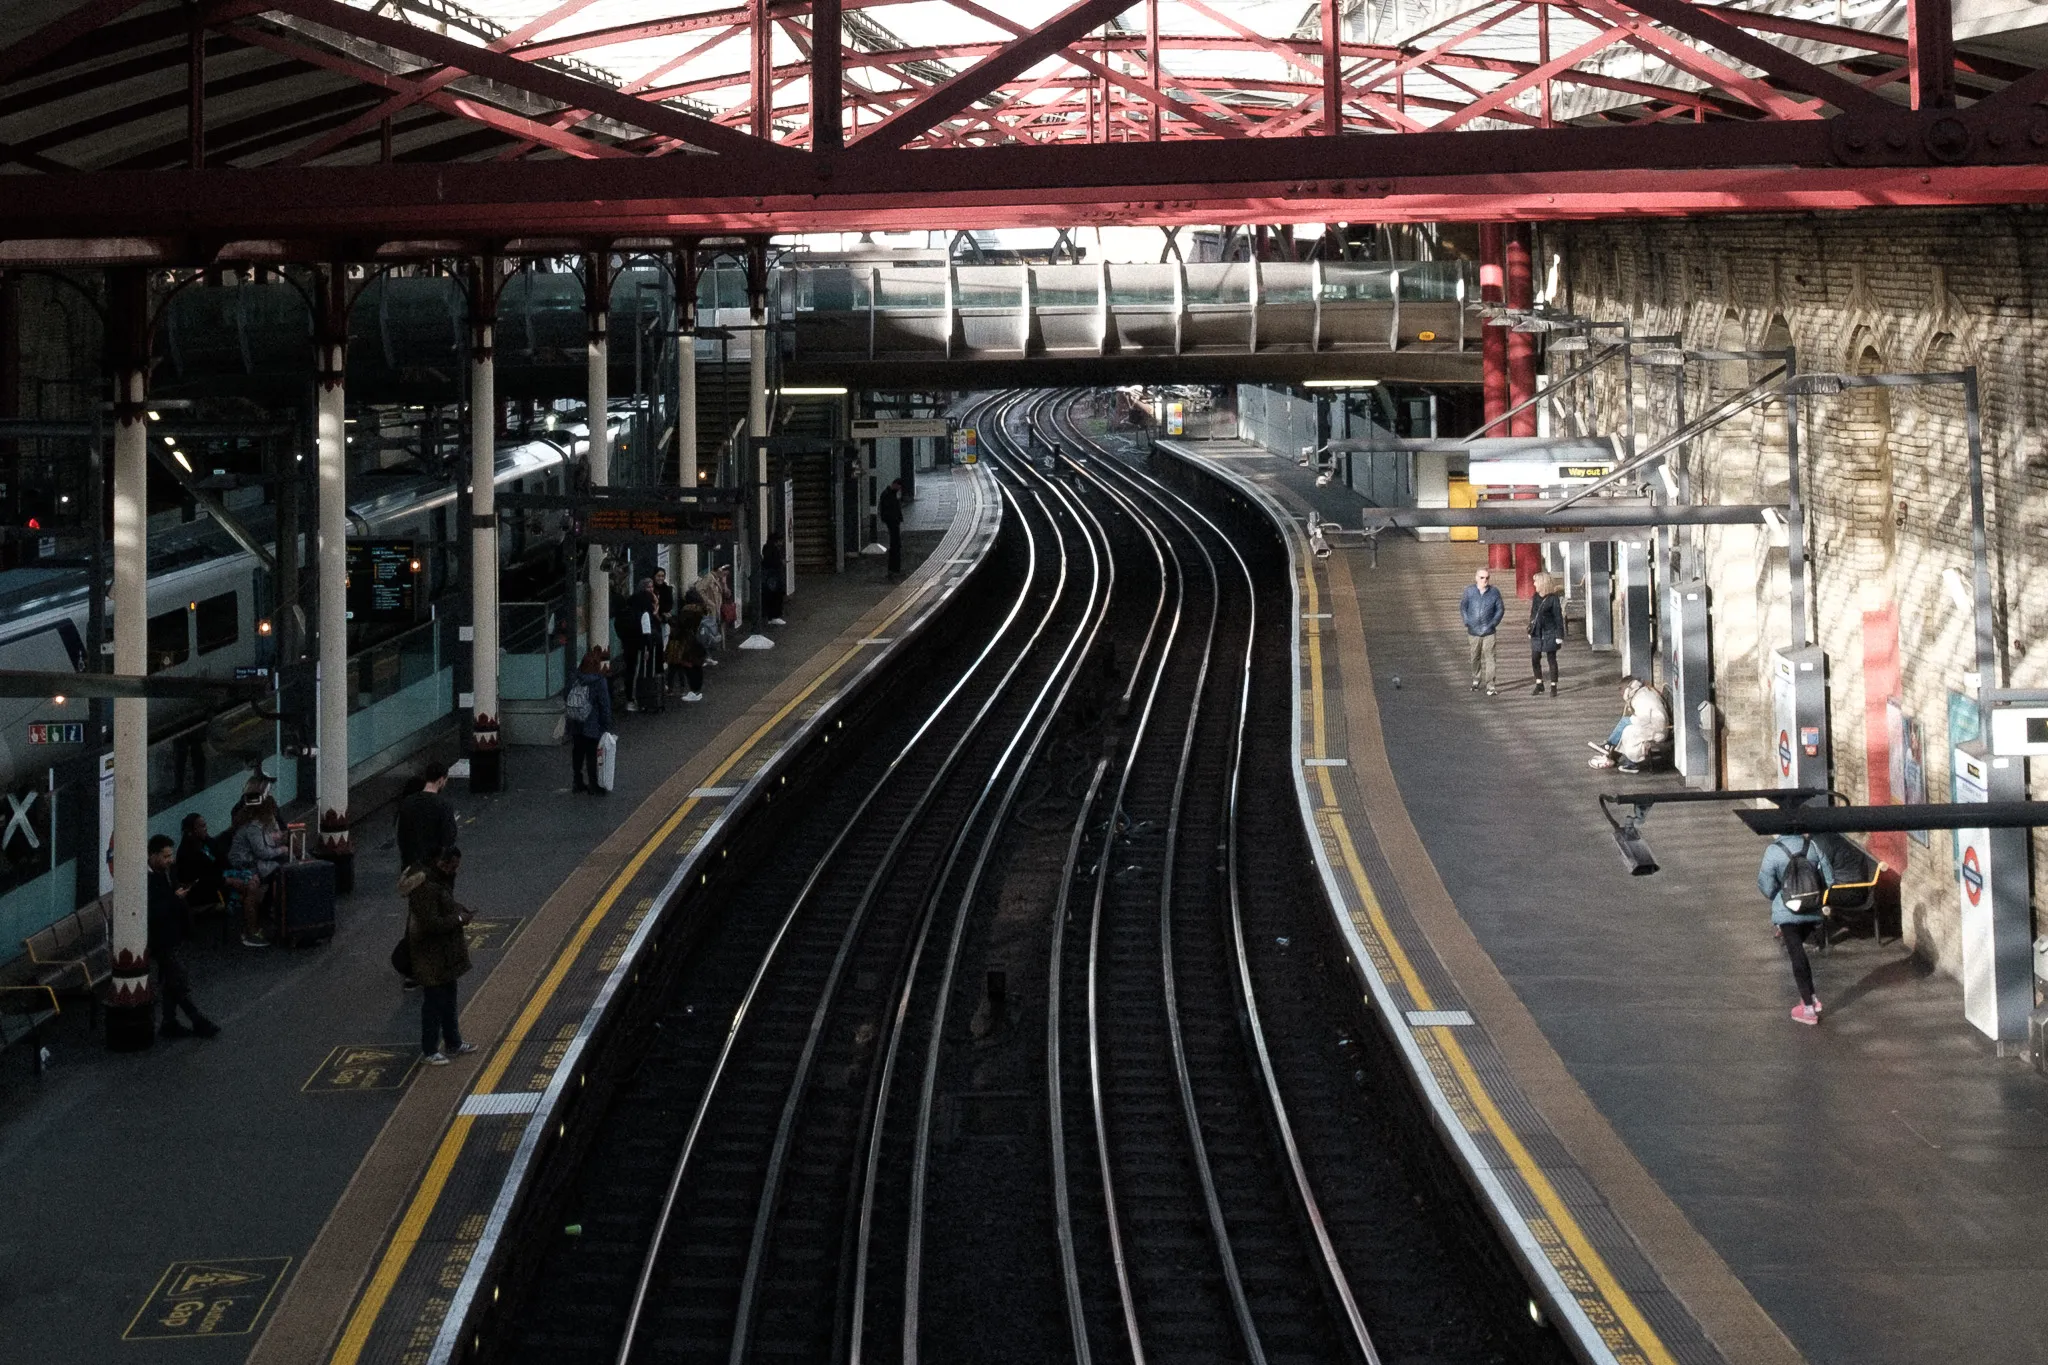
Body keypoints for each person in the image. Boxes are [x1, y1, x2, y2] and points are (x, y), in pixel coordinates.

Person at [403, 845, 477, 1065]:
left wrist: (458, 909)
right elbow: (431, 923)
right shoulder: (426, 888)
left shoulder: (436, 881)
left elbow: (444, 905)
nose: (455, 871)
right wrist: (459, 919)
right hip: (430, 956)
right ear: (442, 863)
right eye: (453, 867)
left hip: (443, 954)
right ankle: (430, 1049)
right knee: (434, 1003)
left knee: (448, 999)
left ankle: (453, 1042)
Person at [1758, 832, 1837, 1025]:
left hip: (1787, 911)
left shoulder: (1773, 850)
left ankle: (1808, 1009)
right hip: (1811, 908)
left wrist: (1781, 893)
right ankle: (1810, 997)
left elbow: (1766, 886)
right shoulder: (1813, 846)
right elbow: (1829, 878)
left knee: (1796, 954)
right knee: (1799, 950)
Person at [149, 834, 219, 1038]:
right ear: (153, 855)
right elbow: (154, 910)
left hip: (173, 932)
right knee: (178, 979)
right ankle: (196, 1019)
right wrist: (174, 898)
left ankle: (169, 1022)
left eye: (170, 855)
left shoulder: (167, 872)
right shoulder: (148, 880)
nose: (170, 860)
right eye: (166, 856)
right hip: (161, 937)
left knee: (172, 980)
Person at [227, 795, 289, 947]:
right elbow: (263, 852)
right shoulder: (254, 827)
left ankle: (269, 911)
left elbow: (269, 841)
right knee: (258, 884)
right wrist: (282, 849)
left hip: (253, 862)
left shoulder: (260, 824)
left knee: (279, 870)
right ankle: (252, 930)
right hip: (244, 866)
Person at [1587, 678, 1672, 772]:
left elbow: (1644, 719)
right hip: (1655, 727)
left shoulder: (1641, 697)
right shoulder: (1643, 693)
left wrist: (1630, 721)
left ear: (1628, 688)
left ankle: (1615, 751)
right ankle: (1612, 754)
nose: (1622, 694)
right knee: (1627, 727)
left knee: (1627, 728)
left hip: (1658, 730)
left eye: (1622, 690)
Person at [395, 760, 458, 872]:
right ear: (441, 780)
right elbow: (449, 838)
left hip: (410, 864)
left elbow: (401, 835)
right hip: (433, 866)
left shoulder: (408, 802)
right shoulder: (443, 805)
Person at [566, 646, 613, 794]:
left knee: (577, 751)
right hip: (592, 723)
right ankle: (594, 785)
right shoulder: (599, 681)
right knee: (592, 754)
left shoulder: (575, 677)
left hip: (575, 721)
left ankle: (577, 781)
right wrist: (606, 725)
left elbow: (567, 695)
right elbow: (604, 705)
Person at [1460, 566, 1505, 695]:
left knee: (1490, 658)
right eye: (1481, 577)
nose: (1484, 580)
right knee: (1475, 656)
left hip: (1489, 631)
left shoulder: (1494, 592)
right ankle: (1476, 679)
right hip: (1473, 630)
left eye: (1487, 578)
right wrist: (1467, 621)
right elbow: (1463, 606)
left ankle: (1490, 685)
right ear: (1476, 578)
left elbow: (1500, 609)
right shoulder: (1469, 591)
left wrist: (1493, 623)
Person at [175, 812, 225, 912]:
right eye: (202, 826)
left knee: (251, 880)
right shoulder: (186, 852)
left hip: (219, 879)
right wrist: (226, 880)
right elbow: (201, 878)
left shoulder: (206, 841)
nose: (206, 828)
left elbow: (221, 858)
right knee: (249, 887)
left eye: (205, 825)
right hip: (202, 891)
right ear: (192, 831)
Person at [1527, 571, 1565, 697]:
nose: (1534, 584)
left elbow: (1558, 617)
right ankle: (1539, 683)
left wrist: (1559, 635)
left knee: (1551, 659)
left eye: (1536, 581)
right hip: (1537, 632)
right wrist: (1530, 628)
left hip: (1550, 632)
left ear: (1542, 583)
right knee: (1535, 658)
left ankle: (1553, 685)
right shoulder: (1536, 597)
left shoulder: (1553, 599)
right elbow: (1533, 614)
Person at [624, 576, 659, 710]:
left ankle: (630, 698)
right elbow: (646, 633)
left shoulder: (630, 608)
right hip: (638, 645)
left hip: (628, 643)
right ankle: (633, 699)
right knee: (635, 672)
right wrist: (647, 649)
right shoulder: (644, 614)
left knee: (629, 670)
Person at [670, 596, 708, 702]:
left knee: (690, 668)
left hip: (688, 645)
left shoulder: (688, 611)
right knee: (697, 668)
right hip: (698, 646)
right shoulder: (701, 613)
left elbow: (680, 626)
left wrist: (670, 619)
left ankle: (694, 691)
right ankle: (697, 690)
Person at [878, 477, 904, 578]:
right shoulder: (888, 495)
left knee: (896, 546)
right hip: (892, 523)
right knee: (895, 546)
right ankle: (894, 570)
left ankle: (894, 570)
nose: (899, 489)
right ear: (895, 484)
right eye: (899, 487)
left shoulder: (889, 494)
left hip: (893, 523)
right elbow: (888, 510)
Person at [761, 532, 788, 625]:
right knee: (776, 595)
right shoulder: (774, 550)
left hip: (768, 576)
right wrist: (781, 562)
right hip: (773, 575)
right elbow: (774, 562)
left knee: (769, 596)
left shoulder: (766, 548)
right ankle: (775, 616)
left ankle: (770, 616)